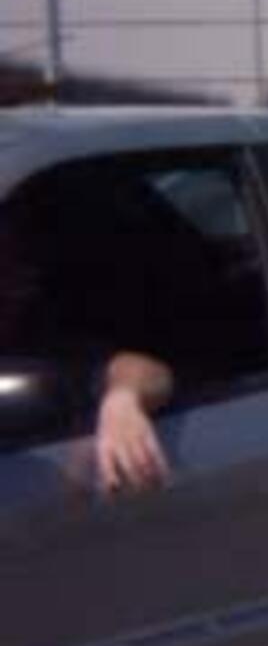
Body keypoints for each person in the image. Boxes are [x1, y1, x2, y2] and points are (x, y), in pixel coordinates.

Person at [0, 183, 176, 497]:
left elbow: (149, 371)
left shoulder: (48, 352)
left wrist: (122, 400)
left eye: (17, 279)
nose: (17, 294)